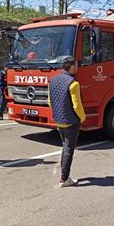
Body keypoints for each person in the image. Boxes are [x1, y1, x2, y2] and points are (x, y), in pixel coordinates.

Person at [48, 57, 86, 187]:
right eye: (76, 66)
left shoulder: (52, 80)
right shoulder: (73, 84)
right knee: (69, 149)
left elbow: (49, 101)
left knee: (65, 147)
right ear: (72, 67)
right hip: (71, 121)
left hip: (59, 120)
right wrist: (82, 117)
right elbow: (77, 105)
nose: (77, 68)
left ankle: (64, 175)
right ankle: (64, 179)